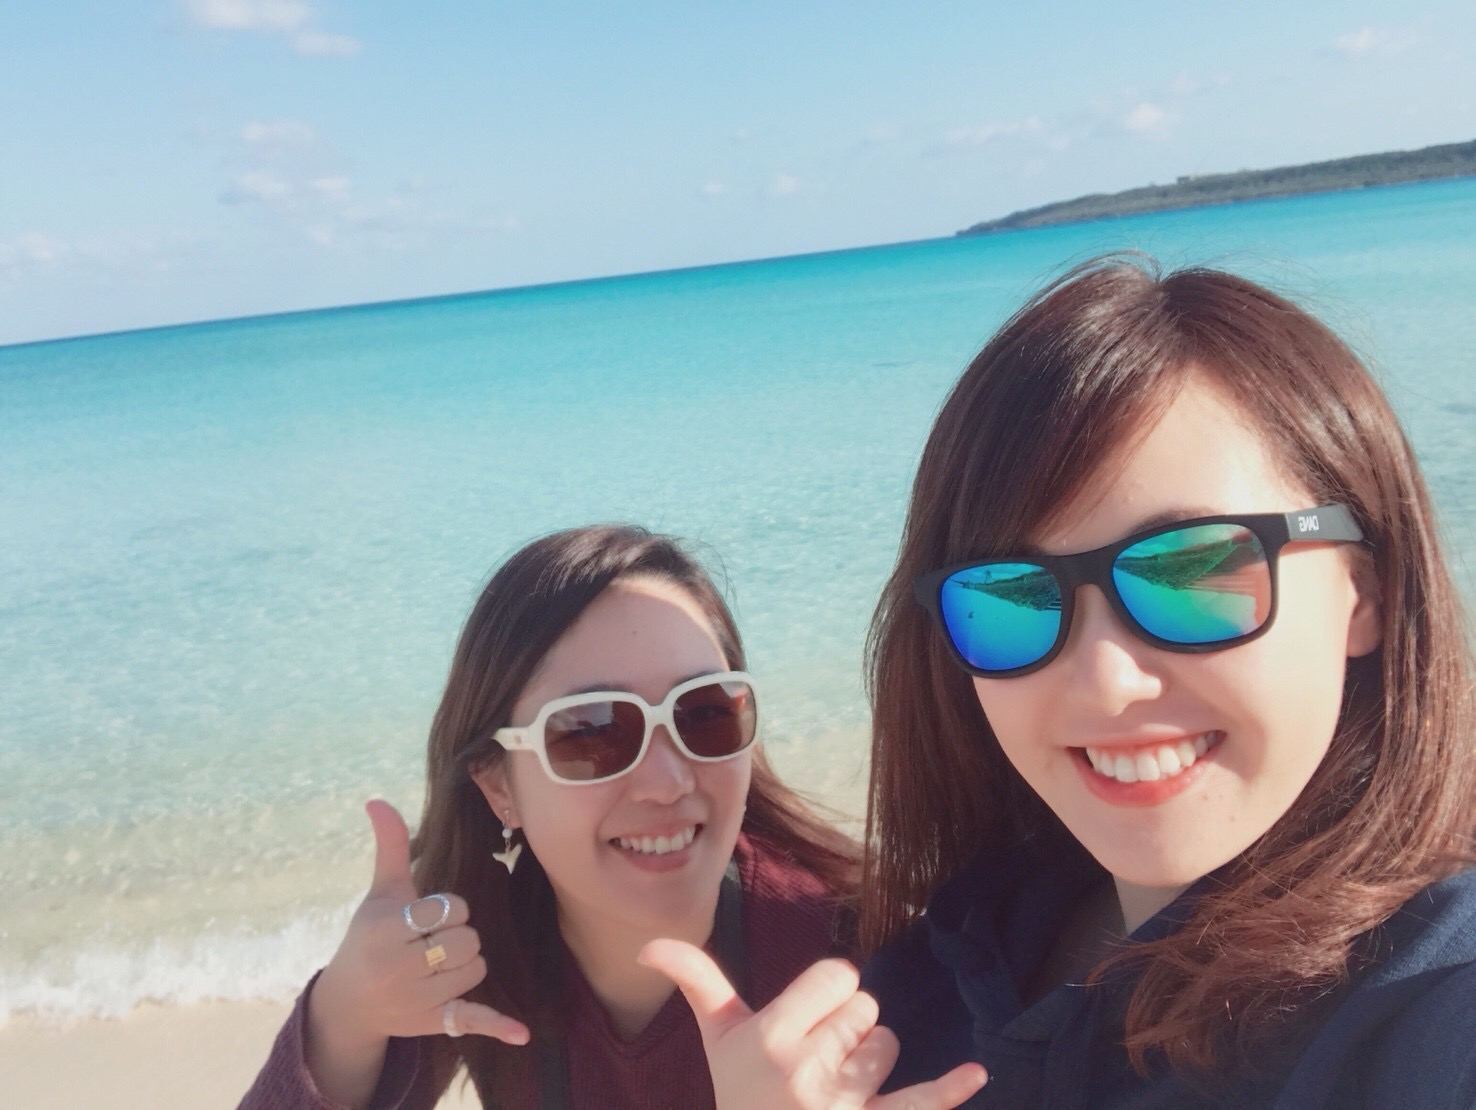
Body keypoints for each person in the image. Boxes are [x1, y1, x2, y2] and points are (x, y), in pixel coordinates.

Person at [647, 257, 1476, 1107]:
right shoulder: (938, 976)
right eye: (1012, 599)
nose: (1104, 681)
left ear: (1365, 590)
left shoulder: (1434, 1003)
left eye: (1193, 573)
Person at [240, 524, 868, 1109]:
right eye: (591, 731)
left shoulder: (855, 958)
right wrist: (342, 1020)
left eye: (704, 713)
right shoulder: (479, 952)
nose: (667, 782)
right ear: (498, 785)